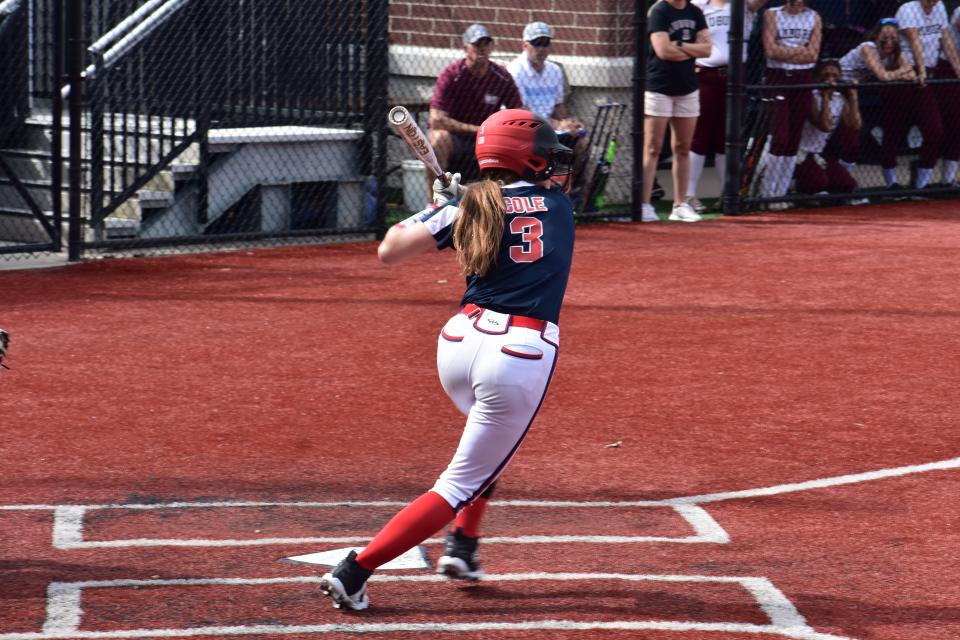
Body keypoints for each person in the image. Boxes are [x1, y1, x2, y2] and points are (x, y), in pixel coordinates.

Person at [319, 109, 575, 611]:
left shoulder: (471, 204)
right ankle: (355, 570)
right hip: (517, 356)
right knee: (460, 480)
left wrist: (438, 207)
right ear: (529, 158)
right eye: (547, 156)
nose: (555, 166)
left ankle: (463, 546)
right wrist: (463, 202)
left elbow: (389, 251)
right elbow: (524, 204)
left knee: (485, 452)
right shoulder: (557, 204)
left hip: (457, 345)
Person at [686, 0, 769, 214]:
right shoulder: (700, 6)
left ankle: (728, 194)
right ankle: (689, 195)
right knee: (700, 135)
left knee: (728, 136)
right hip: (706, 74)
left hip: (734, 74)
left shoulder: (742, 6)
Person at [428, 24, 523, 193]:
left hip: (488, 139)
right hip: (457, 137)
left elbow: (518, 112)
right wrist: (478, 129)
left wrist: (501, 131)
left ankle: (509, 200)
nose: (483, 48)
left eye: (487, 44)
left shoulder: (501, 76)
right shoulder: (452, 75)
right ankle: (436, 201)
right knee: (437, 138)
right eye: (477, 44)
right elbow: (436, 120)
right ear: (466, 48)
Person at [642, 0, 712, 223]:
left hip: (688, 88)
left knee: (682, 148)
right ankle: (644, 205)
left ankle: (680, 204)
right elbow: (663, 51)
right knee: (652, 147)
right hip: (659, 87)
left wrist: (679, 45)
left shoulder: (695, 12)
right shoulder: (659, 11)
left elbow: (708, 49)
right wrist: (692, 50)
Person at [506, 21, 589, 197]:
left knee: (581, 142)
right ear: (524, 45)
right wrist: (558, 125)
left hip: (552, 127)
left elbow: (558, 106)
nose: (541, 48)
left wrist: (569, 122)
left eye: (546, 43)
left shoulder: (554, 70)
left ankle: (572, 193)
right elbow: (523, 111)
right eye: (537, 43)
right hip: (523, 129)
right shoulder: (515, 70)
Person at [887, 0, 960, 189]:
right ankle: (891, 183)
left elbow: (945, 38)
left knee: (935, 131)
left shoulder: (939, 7)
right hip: (905, 72)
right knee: (894, 130)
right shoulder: (907, 9)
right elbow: (914, 41)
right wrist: (921, 71)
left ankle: (921, 185)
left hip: (926, 75)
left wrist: (958, 69)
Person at [759, 0, 822, 209]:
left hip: (803, 79)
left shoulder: (814, 17)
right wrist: (799, 51)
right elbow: (770, 51)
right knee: (781, 136)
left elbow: (813, 54)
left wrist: (784, 51)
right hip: (778, 78)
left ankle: (781, 191)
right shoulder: (772, 14)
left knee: (794, 137)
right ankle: (768, 193)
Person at [836, 18, 916, 178]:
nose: (889, 41)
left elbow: (912, 74)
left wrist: (904, 70)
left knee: (852, 137)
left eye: (893, 37)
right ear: (876, 36)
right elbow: (883, 76)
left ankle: (844, 180)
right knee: (841, 134)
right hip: (836, 85)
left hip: (852, 90)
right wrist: (903, 70)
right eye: (884, 36)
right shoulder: (868, 47)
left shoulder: (895, 51)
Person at [792, 59, 862, 195]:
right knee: (819, 184)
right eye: (826, 76)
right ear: (817, 77)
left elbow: (855, 124)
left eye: (834, 76)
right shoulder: (811, 96)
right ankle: (795, 182)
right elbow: (824, 126)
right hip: (801, 153)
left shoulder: (839, 98)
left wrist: (853, 97)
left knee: (846, 185)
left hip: (819, 153)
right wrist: (825, 96)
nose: (830, 80)